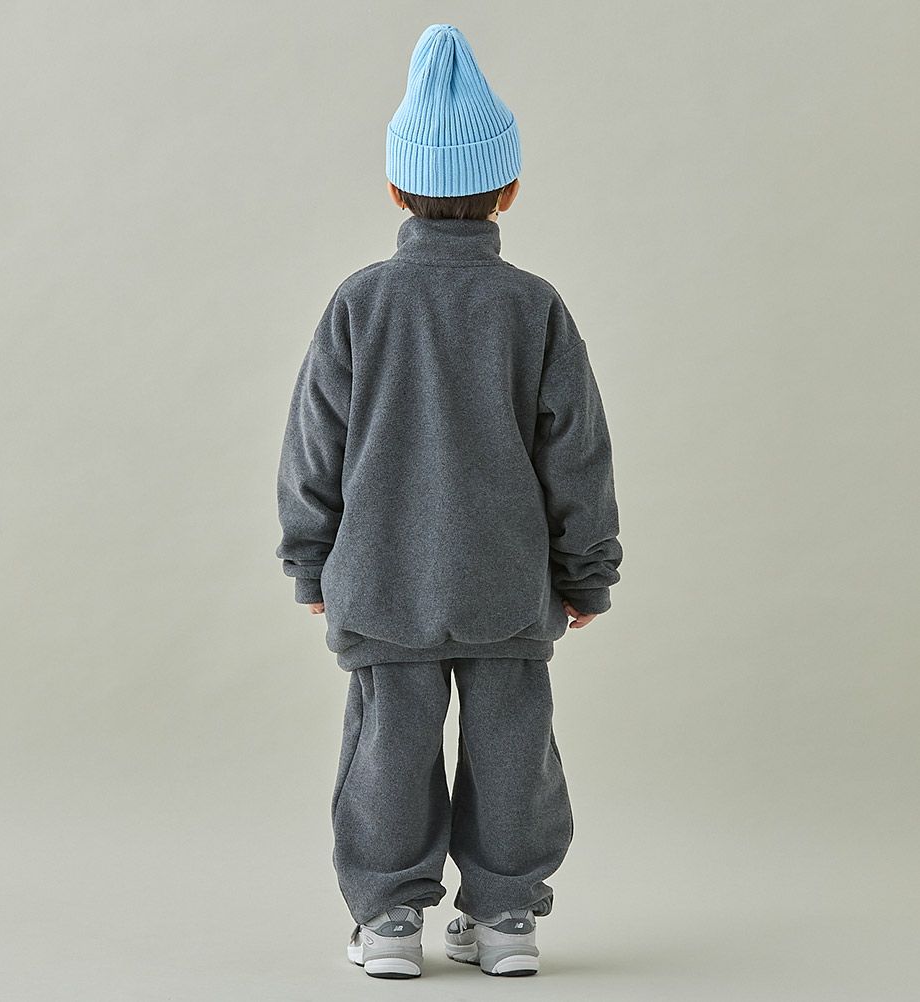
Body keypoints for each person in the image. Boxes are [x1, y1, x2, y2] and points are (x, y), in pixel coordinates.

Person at [274, 23, 623, 979]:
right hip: (508, 582)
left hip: (383, 581)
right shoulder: (534, 305)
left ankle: (390, 920)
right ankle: (506, 918)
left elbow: (314, 445)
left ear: (395, 188)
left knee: (387, 747)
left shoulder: (360, 302)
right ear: (508, 189)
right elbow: (578, 455)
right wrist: (586, 571)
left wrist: (310, 560)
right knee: (515, 747)